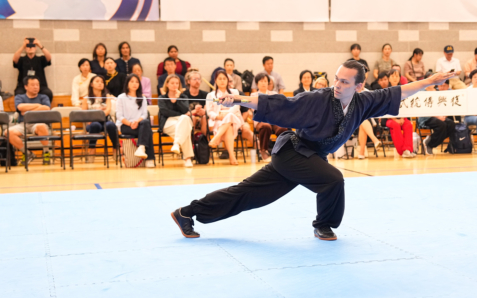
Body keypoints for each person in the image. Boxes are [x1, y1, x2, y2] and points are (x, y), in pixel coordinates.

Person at [170, 61, 456, 240]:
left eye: (344, 81)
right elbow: (279, 103)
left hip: (309, 158)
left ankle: (187, 212)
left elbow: (399, 92)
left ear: (359, 86)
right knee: (333, 179)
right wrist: (238, 100)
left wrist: (430, 82)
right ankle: (324, 225)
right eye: (336, 78)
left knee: (247, 195)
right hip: (293, 153)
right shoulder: (318, 99)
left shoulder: (364, 102)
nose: (337, 85)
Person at [6, 76, 50, 165]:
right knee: (8, 132)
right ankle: (27, 153)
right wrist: (38, 106)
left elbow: (46, 108)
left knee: (41, 126)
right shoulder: (19, 97)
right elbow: (20, 107)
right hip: (23, 124)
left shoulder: (44, 97)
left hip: (38, 123)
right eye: (33, 85)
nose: (36, 87)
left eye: (37, 85)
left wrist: (27, 111)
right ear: (26, 86)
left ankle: (46, 152)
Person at [206, 70, 244, 166]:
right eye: (220, 79)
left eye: (224, 79)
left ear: (227, 80)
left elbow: (236, 107)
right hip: (218, 120)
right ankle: (232, 156)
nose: (222, 81)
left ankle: (216, 138)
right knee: (229, 128)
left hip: (234, 118)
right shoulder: (210, 95)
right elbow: (209, 111)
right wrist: (217, 116)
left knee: (230, 116)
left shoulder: (234, 92)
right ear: (216, 80)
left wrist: (227, 114)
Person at [116, 74, 155, 167]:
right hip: (125, 125)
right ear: (127, 83)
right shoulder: (121, 97)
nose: (134, 84)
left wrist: (137, 122)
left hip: (139, 124)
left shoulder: (142, 98)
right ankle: (149, 159)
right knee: (148, 131)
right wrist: (130, 124)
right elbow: (119, 116)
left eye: (137, 82)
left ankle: (141, 147)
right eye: (132, 81)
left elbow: (144, 114)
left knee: (146, 122)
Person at [158, 74, 194, 167]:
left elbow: (185, 110)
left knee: (185, 119)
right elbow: (165, 112)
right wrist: (181, 114)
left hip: (182, 121)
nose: (175, 85)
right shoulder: (162, 98)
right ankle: (188, 159)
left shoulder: (183, 97)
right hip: (167, 122)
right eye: (172, 83)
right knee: (185, 129)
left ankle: (176, 144)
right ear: (167, 84)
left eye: (177, 83)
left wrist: (178, 99)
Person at [251, 73, 288, 161]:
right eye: (261, 81)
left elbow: (278, 108)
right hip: (261, 120)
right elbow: (256, 110)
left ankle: (282, 150)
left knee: (282, 128)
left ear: (268, 83)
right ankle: (263, 151)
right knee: (266, 126)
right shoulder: (253, 96)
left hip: (273, 119)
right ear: (257, 84)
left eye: (265, 81)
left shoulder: (274, 94)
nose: (263, 83)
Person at [81, 75, 118, 161]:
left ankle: (115, 148)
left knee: (111, 125)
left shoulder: (107, 96)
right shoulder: (86, 98)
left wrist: (95, 113)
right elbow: (84, 114)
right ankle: (92, 149)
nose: (100, 83)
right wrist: (99, 111)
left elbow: (107, 111)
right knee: (95, 125)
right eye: (97, 81)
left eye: (102, 82)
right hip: (91, 122)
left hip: (105, 120)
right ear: (91, 84)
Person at [13, 37, 53, 102]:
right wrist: (23, 46)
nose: (30, 48)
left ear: (35, 48)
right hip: (24, 86)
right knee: (18, 93)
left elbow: (49, 58)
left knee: (48, 93)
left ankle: (45, 107)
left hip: (40, 86)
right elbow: (15, 60)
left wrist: (40, 45)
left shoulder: (40, 59)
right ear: (25, 48)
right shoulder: (22, 60)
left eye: (33, 46)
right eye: (28, 46)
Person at [182, 69, 208, 136]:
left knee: (204, 117)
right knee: (192, 118)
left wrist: (203, 111)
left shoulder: (206, 94)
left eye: (199, 79)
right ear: (188, 81)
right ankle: (191, 140)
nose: (197, 81)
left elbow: (206, 109)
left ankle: (204, 140)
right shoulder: (183, 95)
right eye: (194, 79)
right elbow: (184, 113)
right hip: (189, 118)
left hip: (201, 118)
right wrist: (195, 111)